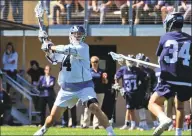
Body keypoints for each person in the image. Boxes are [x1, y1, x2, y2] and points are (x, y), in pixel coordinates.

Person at [33, 25, 115, 136]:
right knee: (53, 118)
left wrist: (50, 45)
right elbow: (53, 58)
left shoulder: (83, 47)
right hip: (67, 88)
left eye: (80, 34)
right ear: (70, 35)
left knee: (94, 107)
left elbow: (65, 49)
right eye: (75, 33)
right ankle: (43, 129)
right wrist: (45, 44)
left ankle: (111, 133)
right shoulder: (64, 50)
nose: (77, 36)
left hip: (84, 86)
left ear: (83, 36)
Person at [148, 12, 192, 136]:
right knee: (180, 106)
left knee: (153, 103)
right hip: (187, 80)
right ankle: (178, 133)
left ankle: (163, 119)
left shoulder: (165, 37)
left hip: (170, 78)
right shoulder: (190, 39)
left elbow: (160, 57)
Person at [115, 55, 146, 130]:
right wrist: (117, 85)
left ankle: (141, 124)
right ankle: (132, 124)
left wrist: (141, 85)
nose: (130, 62)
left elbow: (144, 78)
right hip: (128, 92)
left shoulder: (137, 70)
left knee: (137, 108)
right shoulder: (123, 69)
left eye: (132, 60)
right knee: (130, 108)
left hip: (137, 92)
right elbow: (116, 77)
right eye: (129, 60)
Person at [82, 56, 108, 129]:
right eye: (94, 62)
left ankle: (95, 125)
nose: (95, 63)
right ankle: (85, 124)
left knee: (98, 108)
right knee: (88, 107)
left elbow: (105, 82)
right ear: (91, 62)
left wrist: (105, 78)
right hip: (90, 92)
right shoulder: (88, 71)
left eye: (96, 61)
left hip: (100, 92)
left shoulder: (101, 71)